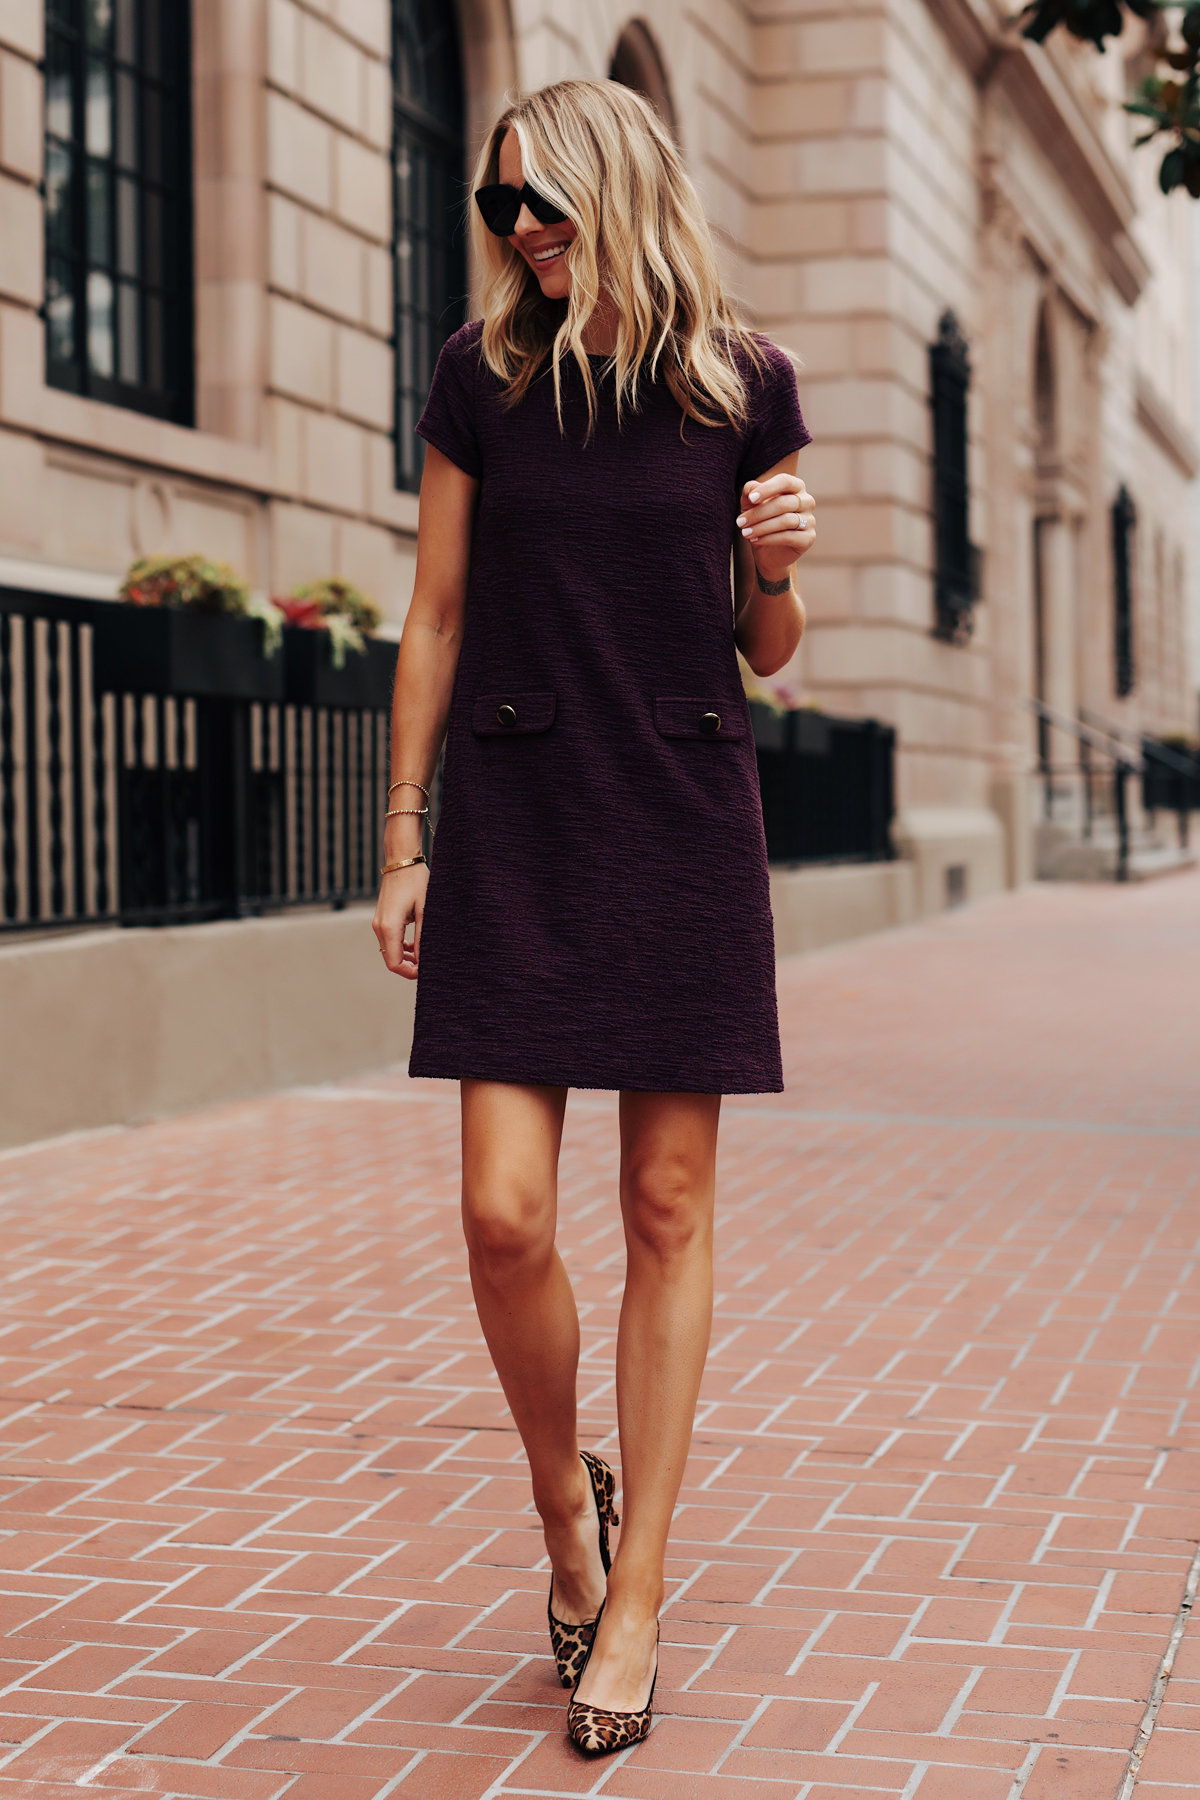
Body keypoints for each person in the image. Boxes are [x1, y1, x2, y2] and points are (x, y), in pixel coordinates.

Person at [373, 77, 815, 1756]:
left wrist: (775, 564)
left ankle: (636, 1601)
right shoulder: (481, 379)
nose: (520, 232)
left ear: (620, 186)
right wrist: (403, 838)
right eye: (501, 209)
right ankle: (569, 1502)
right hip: (516, 809)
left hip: (682, 809)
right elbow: (432, 618)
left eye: (542, 201)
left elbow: (769, 649)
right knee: (501, 1216)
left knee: (667, 1203)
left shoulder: (742, 384)